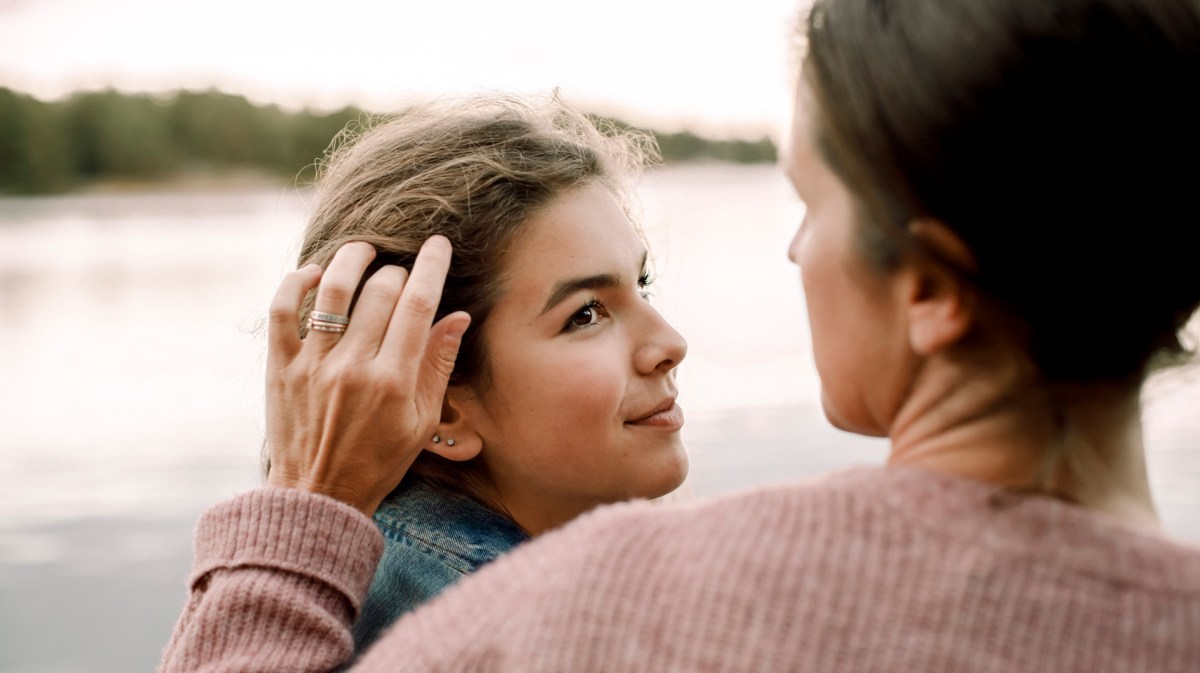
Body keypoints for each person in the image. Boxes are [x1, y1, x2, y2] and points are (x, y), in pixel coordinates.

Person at [159, 0, 1200, 671]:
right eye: (587, 311)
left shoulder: (588, 608)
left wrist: (297, 516)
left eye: (810, 202)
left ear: (930, 285)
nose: (671, 340)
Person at [269, 95, 689, 649]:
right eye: (585, 314)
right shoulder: (510, 637)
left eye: (643, 285)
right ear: (441, 407)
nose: (670, 345)